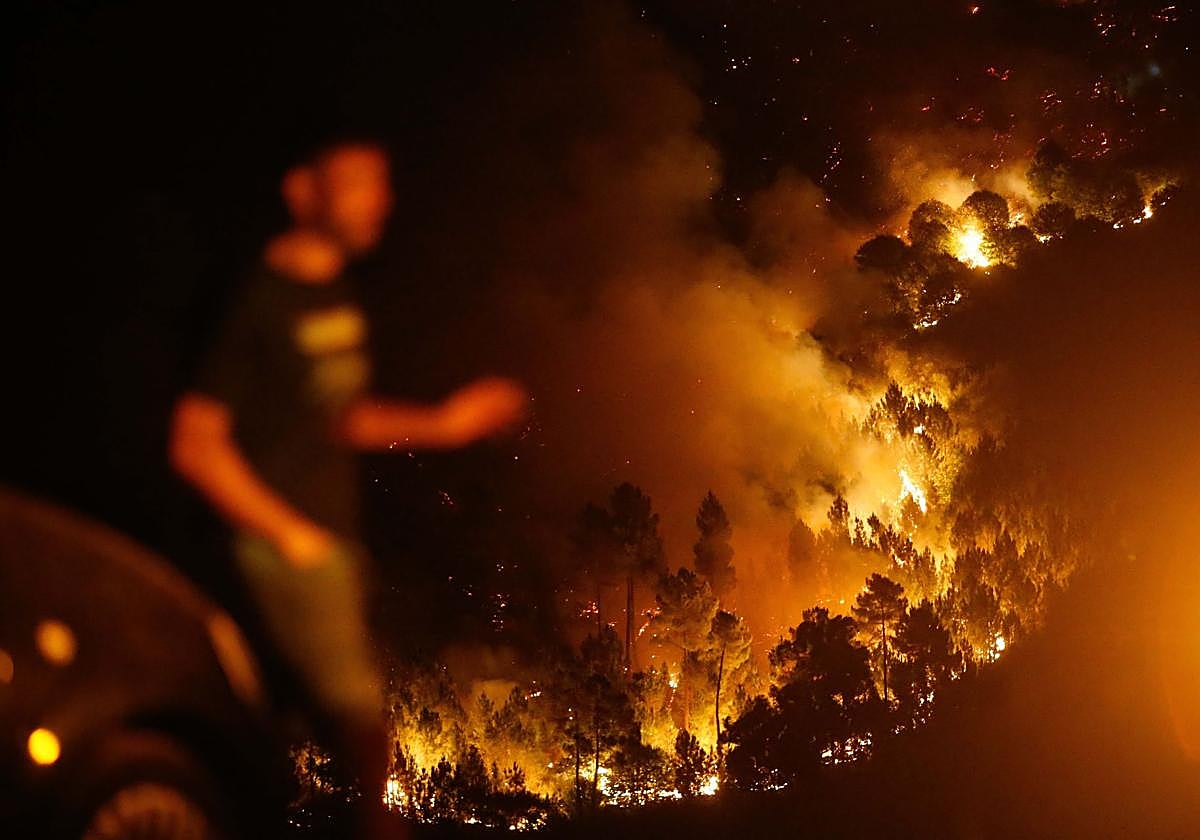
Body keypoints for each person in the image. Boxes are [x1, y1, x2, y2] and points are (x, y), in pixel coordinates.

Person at [169, 139, 525, 835]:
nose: (379, 199)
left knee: (273, 749)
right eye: (357, 182)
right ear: (302, 191)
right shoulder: (255, 301)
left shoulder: (333, 291)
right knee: (363, 743)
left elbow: (341, 416)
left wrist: (446, 424)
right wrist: (291, 538)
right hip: (282, 555)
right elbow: (195, 443)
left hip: (326, 549)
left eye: (381, 180)